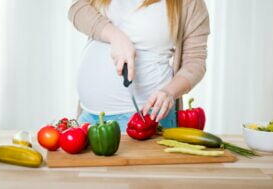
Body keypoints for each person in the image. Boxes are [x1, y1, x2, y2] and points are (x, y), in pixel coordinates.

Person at [68, 0, 210, 132]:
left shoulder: (190, 3)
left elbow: (195, 62)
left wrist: (169, 92)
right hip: (88, 116)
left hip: (145, 117)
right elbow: (77, 9)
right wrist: (115, 35)